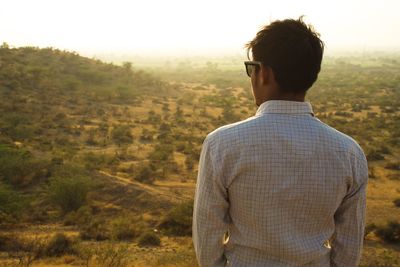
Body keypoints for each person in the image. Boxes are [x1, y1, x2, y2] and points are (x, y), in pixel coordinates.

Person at [192, 17, 368, 267]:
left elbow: (207, 233)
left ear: (264, 73)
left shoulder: (222, 144)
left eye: (251, 67)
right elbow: (349, 247)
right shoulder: (349, 152)